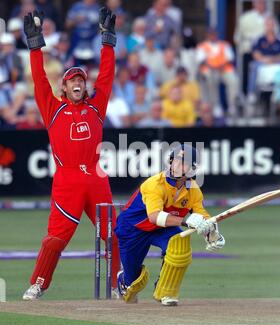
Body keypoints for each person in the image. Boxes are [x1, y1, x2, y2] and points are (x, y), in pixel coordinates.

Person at [22, 7, 120, 300]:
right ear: (64, 87)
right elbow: (39, 80)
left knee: (113, 235)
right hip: (67, 181)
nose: (78, 83)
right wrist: (36, 45)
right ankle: (38, 283)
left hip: (96, 178)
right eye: (72, 81)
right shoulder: (53, 109)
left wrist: (108, 41)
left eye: (81, 80)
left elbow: (107, 76)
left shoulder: (96, 107)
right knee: (57, 238)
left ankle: (119, 283)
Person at [115, 144, 225, 306]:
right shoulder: (155, 184)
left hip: (162, 229)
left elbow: (202, 215)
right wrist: (186, 221)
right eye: (175, 161)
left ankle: (166, 290)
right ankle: (124, 279)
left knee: (179, 245)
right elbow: (154, 217)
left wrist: (212, 232)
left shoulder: (193, 189)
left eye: (184, 162)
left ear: (192, 169)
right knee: (133, 285)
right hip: (132, 229)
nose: (177, 165)